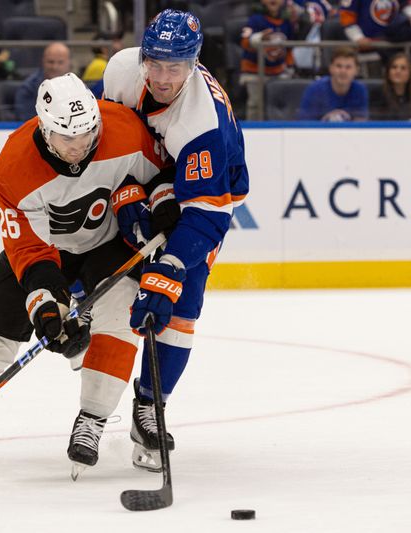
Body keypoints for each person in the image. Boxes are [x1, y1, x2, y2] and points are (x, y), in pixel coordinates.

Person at [0, 73, 173, 479]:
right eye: (67, 139)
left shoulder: (125, 131)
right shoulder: (14, 165)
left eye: (89, 134)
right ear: (44, 128)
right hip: (45, 249)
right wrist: (47, 311)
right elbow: (29, 249)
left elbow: (164, 173)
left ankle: (92, 419)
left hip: (109, 241)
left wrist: (161, 202)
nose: (80, 147)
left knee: (118, 314)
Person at [102, 9, 250, 472]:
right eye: (156, 65)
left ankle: (149, 402)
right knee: (103, 255)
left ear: (194, 63)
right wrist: (128, 191)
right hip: (153, 170)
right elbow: (106, 143)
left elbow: (207, 214)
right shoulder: (122, 71)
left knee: (180, 307)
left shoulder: (202, 123)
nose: (163, 79)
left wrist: (166, 274)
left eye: (176, 67)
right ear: (143, 58)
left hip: (205, 194)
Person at [339, 0, 411, 80]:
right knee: (375, 85)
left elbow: (406, 5)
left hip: (395, 46)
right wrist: (358, 37)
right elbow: (347, 16)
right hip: (370, 49)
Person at [239, 0, 296, 120]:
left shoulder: (287, 22)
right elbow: (245, 41)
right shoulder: (255, 20)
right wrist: (259, 38)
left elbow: (289, 48)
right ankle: (253, 129)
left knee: (280, 103)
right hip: (255, 72)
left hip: (279, 72)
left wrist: (290, 68)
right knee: (255, 104)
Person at [296, 46, 369, 121]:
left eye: (348, 67)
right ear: (331, 68)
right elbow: (305, 125)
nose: (343, 71)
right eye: (339, 66)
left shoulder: (359, 90)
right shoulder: (315, 90)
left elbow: (361, 124)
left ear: (356, 70)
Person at [14, 42, 72, 122]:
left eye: (60, 62)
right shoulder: (28, 88)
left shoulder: (78, 86)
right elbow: (28, 122)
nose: (55, 67)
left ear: (68, 62)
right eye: (50, 62)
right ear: (43, 61)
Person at [374, 51, 411, 120]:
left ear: (410, 73)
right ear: (388, 71)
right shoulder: (378, 94)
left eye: (403, 68)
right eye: (394, 67)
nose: (398, 71)